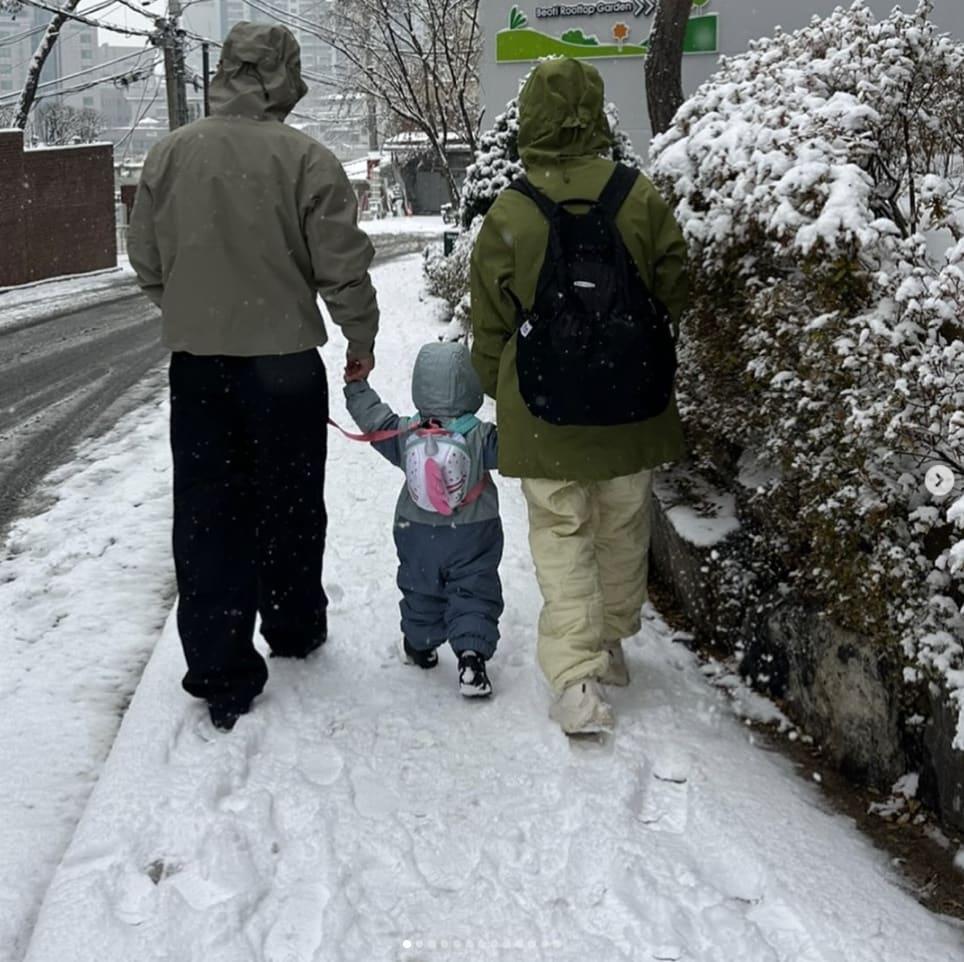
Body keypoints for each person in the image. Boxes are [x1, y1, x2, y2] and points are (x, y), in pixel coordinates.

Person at [128, 23, 379, 732]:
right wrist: (360, 337)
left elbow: (146, 263)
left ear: (226, 73)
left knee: (209, 512)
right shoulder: (306, 159)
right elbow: (342, 265)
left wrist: (197, 312)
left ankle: (219, 668)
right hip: (286, 366)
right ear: (283, 77)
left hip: (199, 369)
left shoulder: (169, 155)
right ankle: (294, 625)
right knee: (291, 501)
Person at [470, 58, 688, 735]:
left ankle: (575, 677)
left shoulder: (511, 212)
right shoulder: (639, 195)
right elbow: (677, 287)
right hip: (632, 405)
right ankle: (613, 644)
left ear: (529, 122)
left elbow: (489, 324)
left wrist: (500, 389)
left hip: (545, 413)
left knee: (562, 535)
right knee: (623, 527)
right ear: (597, 117)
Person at [343, 342, 503, 697]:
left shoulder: (405, 433)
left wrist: (357, 387)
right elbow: (518, 447)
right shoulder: (480, 436)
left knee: (420, 585)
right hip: (475, 529)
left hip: (416, 529)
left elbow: (374, 421)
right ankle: (472, 656)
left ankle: (420, 642)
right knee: (474, 586)